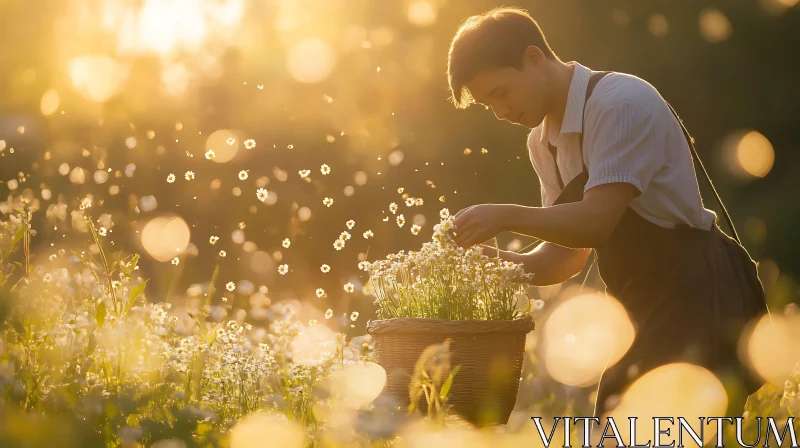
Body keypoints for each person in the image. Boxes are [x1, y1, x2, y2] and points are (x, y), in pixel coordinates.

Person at [447, 6, 768, 418]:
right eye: (488, 103)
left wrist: (504, 215)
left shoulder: (620, 104)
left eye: (500, 92)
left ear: (534, 57)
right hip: (639, 307)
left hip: (696, 297)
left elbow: (595, 222)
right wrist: (493, 265)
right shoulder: (541, 142)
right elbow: (565, 256)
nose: (500, 112)